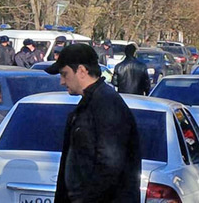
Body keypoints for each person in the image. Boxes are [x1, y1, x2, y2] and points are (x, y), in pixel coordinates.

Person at [45, 43, 141, 203]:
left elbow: (110, 165)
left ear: (82, 71)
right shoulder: (91, 102)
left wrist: (84, 198)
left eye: (64, 74)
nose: (62, 81)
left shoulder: (106, 104)